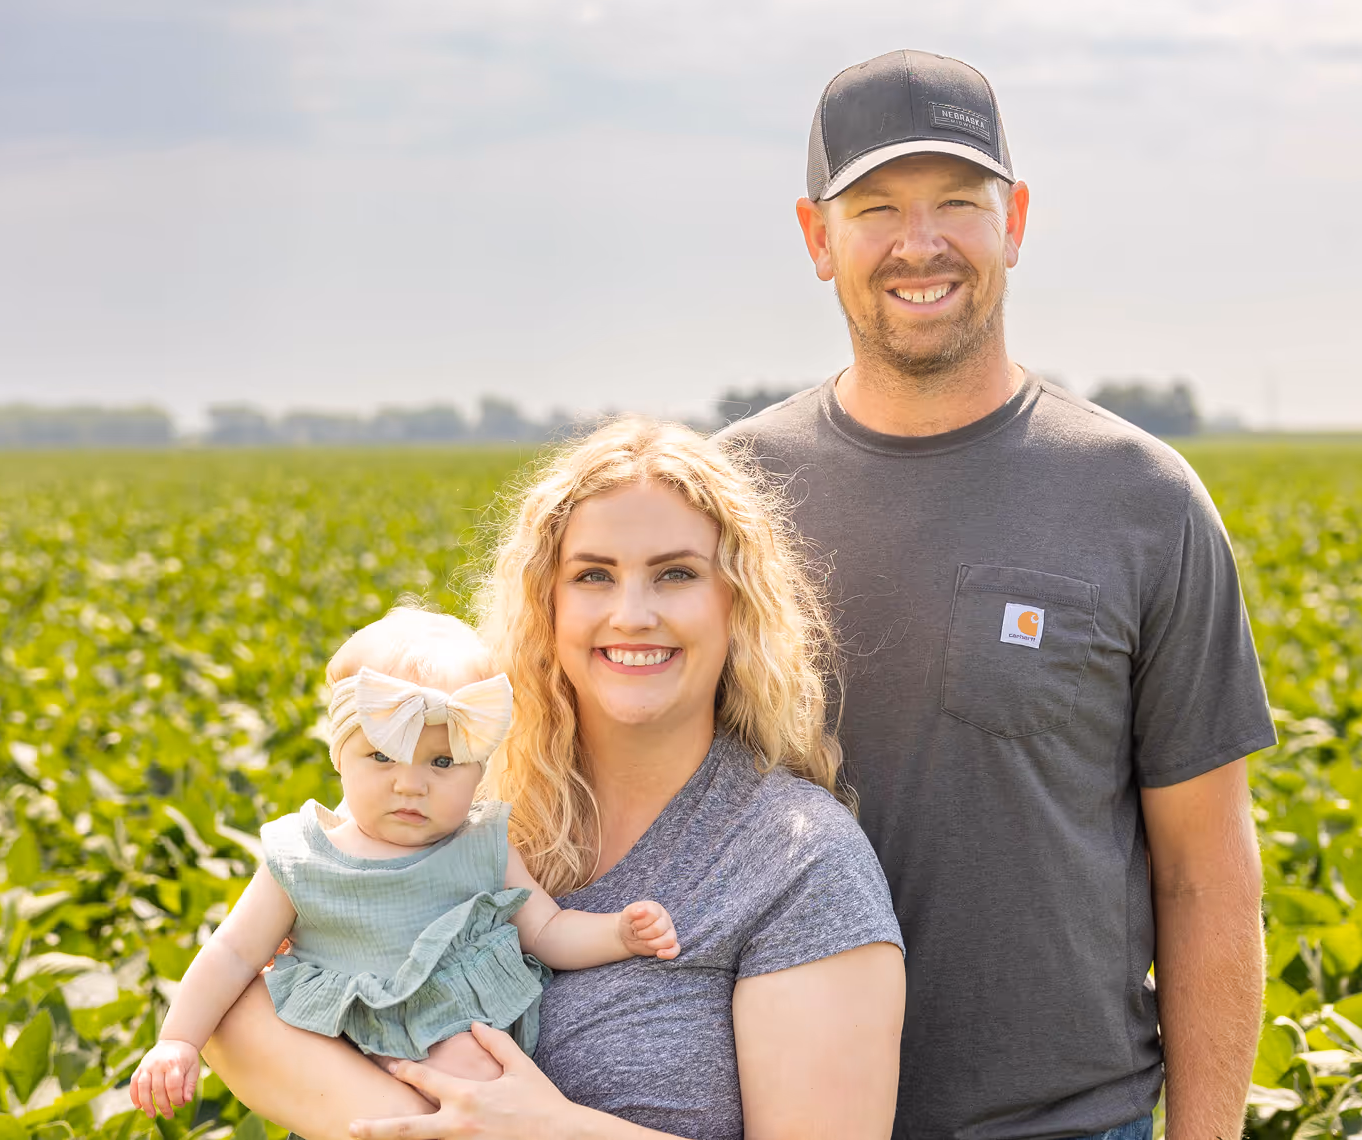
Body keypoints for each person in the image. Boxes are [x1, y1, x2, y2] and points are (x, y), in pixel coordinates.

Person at [719, 49, 1275, 1140]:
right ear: (814, 238)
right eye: (874, 207)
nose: (917, 244)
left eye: (956, 205)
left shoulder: (1141, 501)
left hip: (1068, 1121)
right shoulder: (730, 495)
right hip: (779, 1115)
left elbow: (1206, 875)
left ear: (1013, 221)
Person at [203, 419, 906, 1140]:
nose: (632, 615)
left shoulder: (800, 862)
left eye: (677, 573)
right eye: (593, 575)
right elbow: (233, 1012)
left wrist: (544, 1130)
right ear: (549, 604)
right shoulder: (449, 803)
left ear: (738, 603)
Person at [132, 607, 681, 1121]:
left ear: (479, 768)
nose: (410, 784)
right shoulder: (303, 858)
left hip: (452, 1044)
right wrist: (177, 1039)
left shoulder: (482, 846)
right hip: (333, 1056)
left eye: (442, 762)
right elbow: (231, 952)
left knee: (478, 1077)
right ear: (338, 757)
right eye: (381, 757)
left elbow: (547, 928)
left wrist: (618, 934)